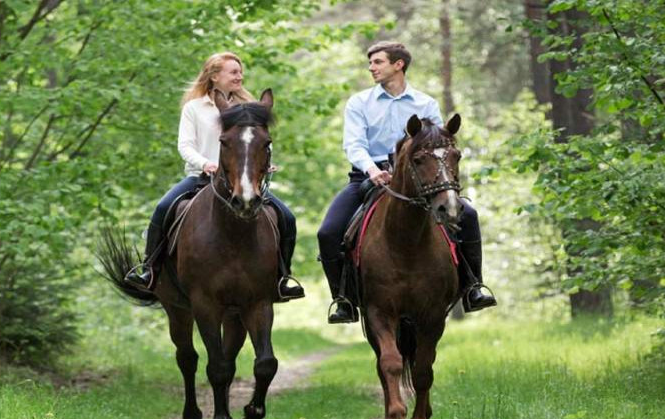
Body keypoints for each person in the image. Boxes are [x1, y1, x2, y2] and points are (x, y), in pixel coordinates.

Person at [318, 41, 496, 324]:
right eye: (371, 63)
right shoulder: (359, 102)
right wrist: (372, 170)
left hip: (419, 178)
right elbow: (353, 145)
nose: (371, 67)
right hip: (368, 177)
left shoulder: (425, 104)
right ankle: (344, 301)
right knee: (327, 233)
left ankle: (473, 287)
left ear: (398, 64)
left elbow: (440, 142)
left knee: (469, 215)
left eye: (378, 62)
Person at [126, 52, 304, 301]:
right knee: (163, 207)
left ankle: (283, 277)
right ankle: (149, 269)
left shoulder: (248, 108)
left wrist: (264, 166)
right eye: (233, 72)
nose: (239, 76)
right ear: (214, 76)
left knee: (287, 217)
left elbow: (261, 143)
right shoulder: (194, 108)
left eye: (240, 71)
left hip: (241, 181)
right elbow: (185, 146)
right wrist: (206, 164)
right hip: (200, 177)